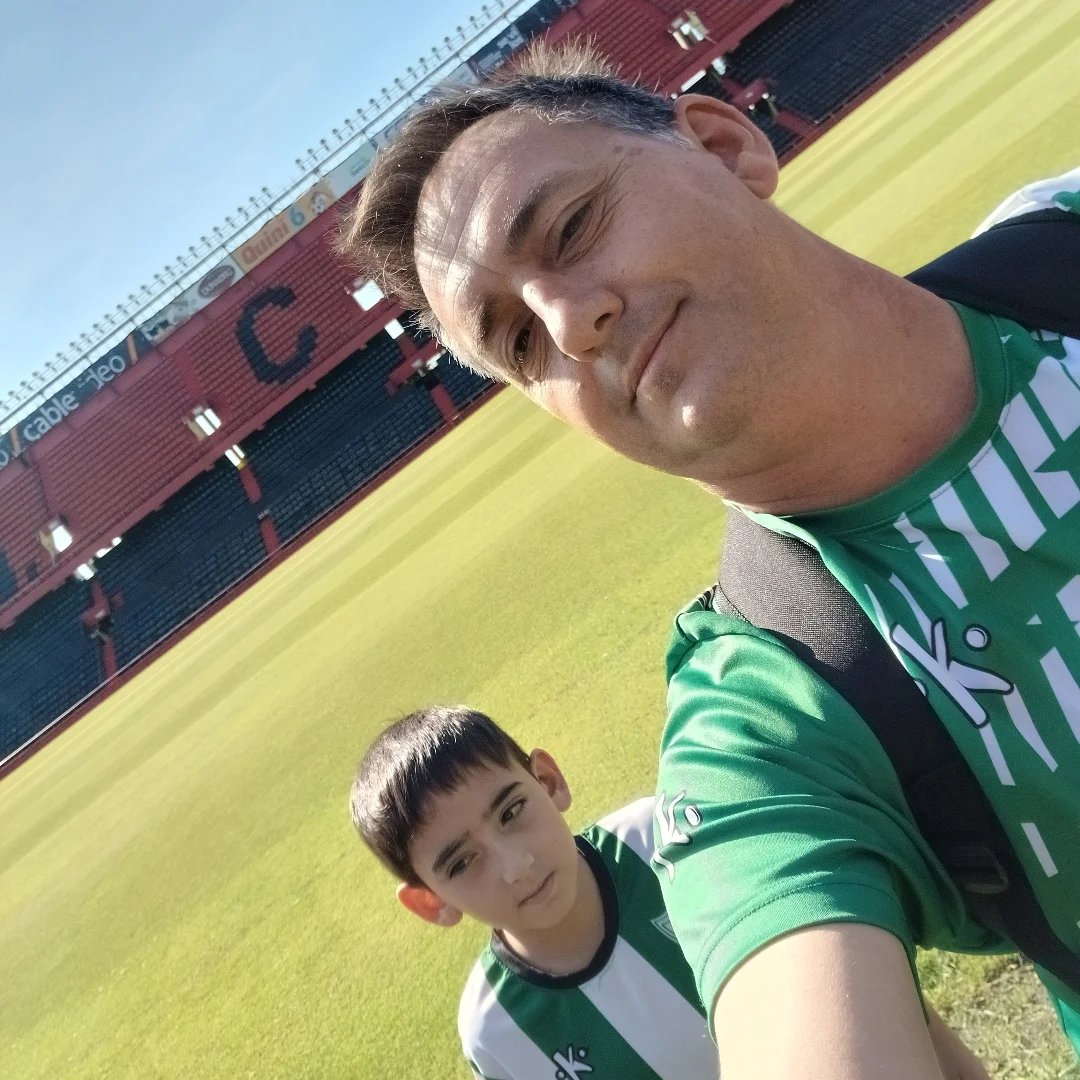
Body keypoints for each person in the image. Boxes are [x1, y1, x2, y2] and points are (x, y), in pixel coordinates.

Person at [335, 41, 1067, 1077]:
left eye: (572, 228)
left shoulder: (1061, 246)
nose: (567, 324)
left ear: (724, 147)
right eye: (520, 343)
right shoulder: (760, 731)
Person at [348, 705, 718, 1079]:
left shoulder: (661, 840)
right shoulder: (495, 1033)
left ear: (548, 781)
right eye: (461, 863)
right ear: (431, 901)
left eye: (511, 812)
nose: (517, 867)